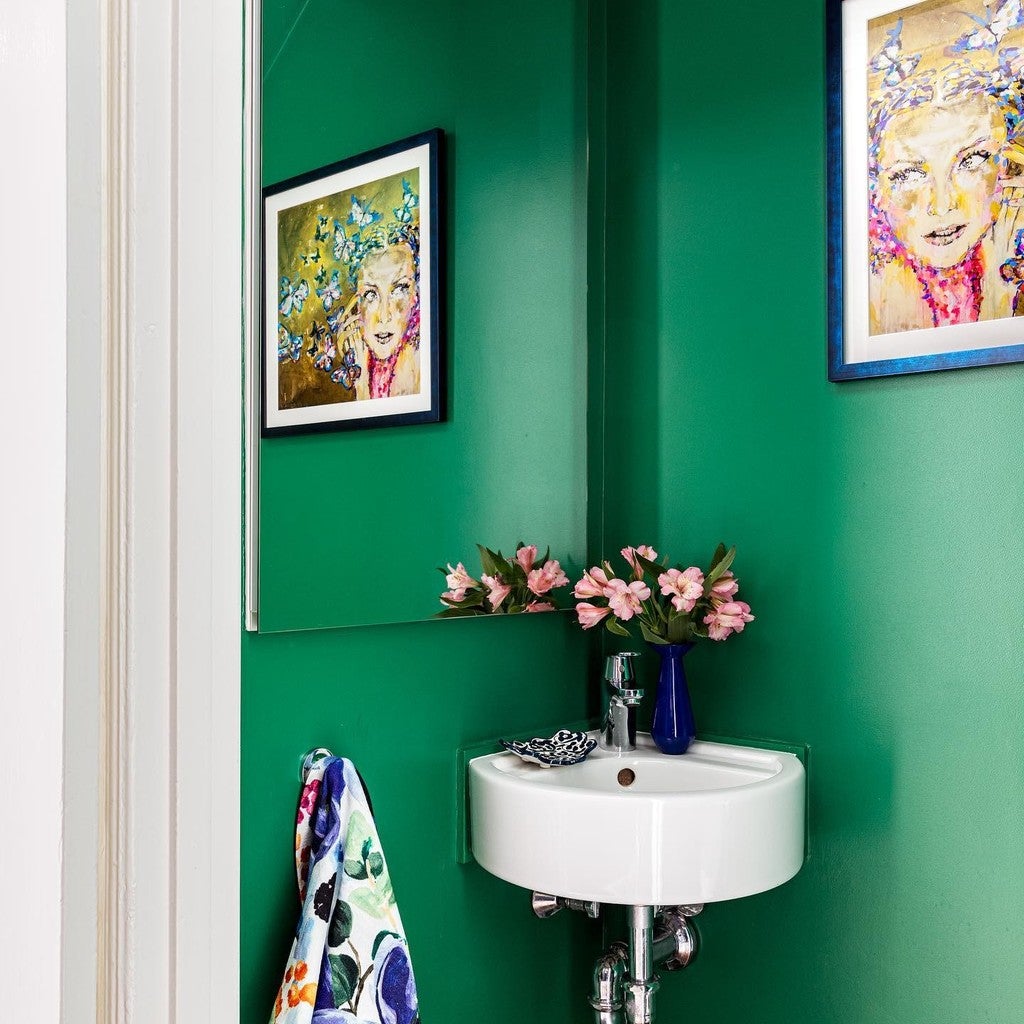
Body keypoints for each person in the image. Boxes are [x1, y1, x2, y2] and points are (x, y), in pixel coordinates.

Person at [868, 18, 1024, 334]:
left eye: (972, 160)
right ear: (876, 191)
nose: (942, 205)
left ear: (1006, 167)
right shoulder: (872, 298)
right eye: (908, 174)